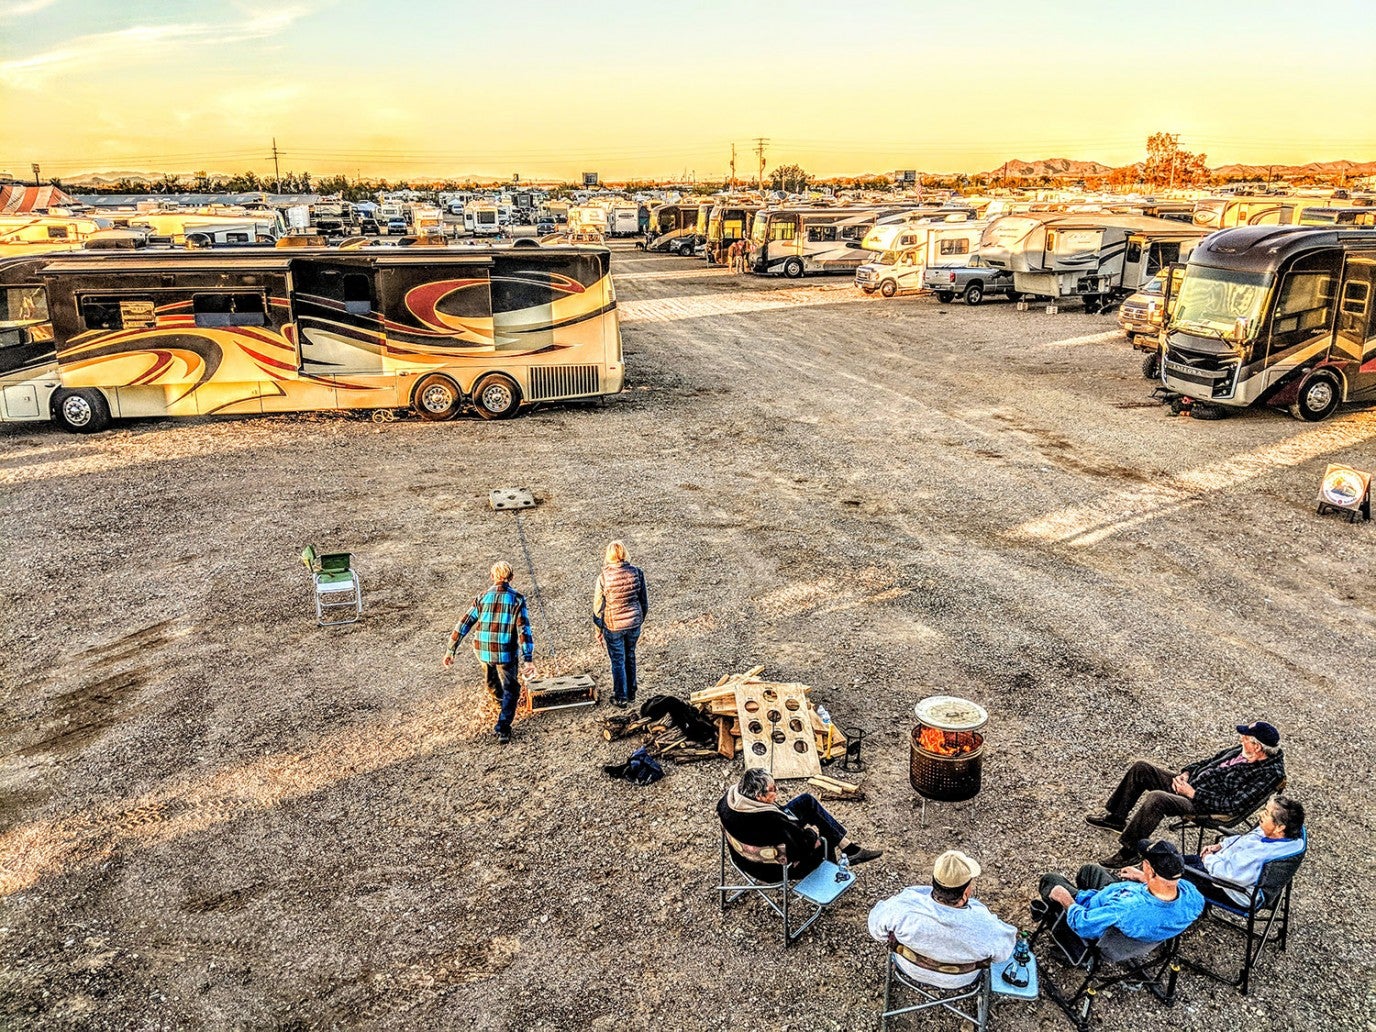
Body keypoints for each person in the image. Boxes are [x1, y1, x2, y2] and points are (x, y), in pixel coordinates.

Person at [1085, 720, 1286, 867]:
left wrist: (1192, 794)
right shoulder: (1244, 750)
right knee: (1142, 768)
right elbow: (1208, 761)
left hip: (1205, 805)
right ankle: (1116, 818)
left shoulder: (1268, 774)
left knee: (1157, 799)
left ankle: (1131, 850)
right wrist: (1186, 773)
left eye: (1245, 738)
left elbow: (1232, 805)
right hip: (1192, 785)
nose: (1241, 740)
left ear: (1257, 747)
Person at [868, 850, 1018, 990]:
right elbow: (1002, 954)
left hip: (909, 969)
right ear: (966, 892)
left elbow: (876, 930)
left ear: (934, 881)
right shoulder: (986, 925)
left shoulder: (902, 906)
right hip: (960, 980)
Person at [717, 768, 881, 882]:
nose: (777, 791)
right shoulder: (772, 821)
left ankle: (849, 848)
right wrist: (810, 834)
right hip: (771, 870)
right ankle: (832, 877)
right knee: (825, 837)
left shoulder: (728, 802)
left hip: (740, 857)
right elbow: (801, 850)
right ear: (760, 796)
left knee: (806, 801)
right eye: (773, 789)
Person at [1038, 839, 1204, 951]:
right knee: (1089, 870)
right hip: (1133, 910)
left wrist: (1065, 900)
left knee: (1051, 881)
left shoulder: (1125, 908)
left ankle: (1065, 939)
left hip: (1097, 915)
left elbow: (1083, 924)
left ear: (1151, 870)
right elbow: (1166, 885)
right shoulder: (1193, 897)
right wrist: (1143, 877)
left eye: (1144, 863)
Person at [441, 561, 534, 745]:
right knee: (511, 688)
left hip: (483, 650)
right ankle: (503, 727)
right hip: (506, 652)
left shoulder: (482, 597)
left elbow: (464, 623)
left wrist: (451, 649)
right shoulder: (517, 599)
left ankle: (500, 701)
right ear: (512, 577)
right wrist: (528, 659)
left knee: (490, 679)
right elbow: (524, 629)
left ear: (492, 576)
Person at [1183, 794, 1306, 907]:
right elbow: (1247, 839)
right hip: (1225, 865)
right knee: (1177, 860)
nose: (1260, 814)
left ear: (1280, 827)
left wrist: (1208, 859)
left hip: (1233, 889)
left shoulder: (1261, 854)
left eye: (1266, 813)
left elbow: (1227, 873)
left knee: (1175, 871)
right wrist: (1221, 845)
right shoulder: (1282, 836)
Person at [592, 541, 648, 708]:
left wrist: (598, 628)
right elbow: (643, 601)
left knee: (618, 660)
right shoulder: (637, 572)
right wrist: (639, 619)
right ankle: (631, 692)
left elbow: (597, 606)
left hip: (613, 625)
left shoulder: (603, 577)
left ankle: (621, 697)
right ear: (624, 553)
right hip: (633, 623)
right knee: (630, 654)